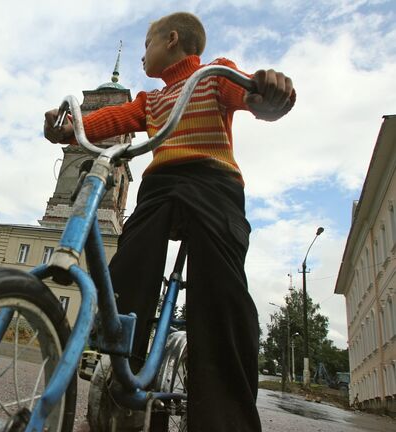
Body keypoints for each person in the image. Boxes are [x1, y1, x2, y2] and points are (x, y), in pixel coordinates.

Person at [44, 11, 295, 431]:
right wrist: (68, 128)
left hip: (214, 183)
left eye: (147, 45)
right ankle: (122, 373)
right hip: (160, 185)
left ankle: (224, 419)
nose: (144, 56)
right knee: (128, 270)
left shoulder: (216, 75)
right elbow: (110, 120)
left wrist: (267, 94)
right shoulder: (151, 100)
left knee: (221, 291)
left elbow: (250, 96)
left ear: (172, 40)